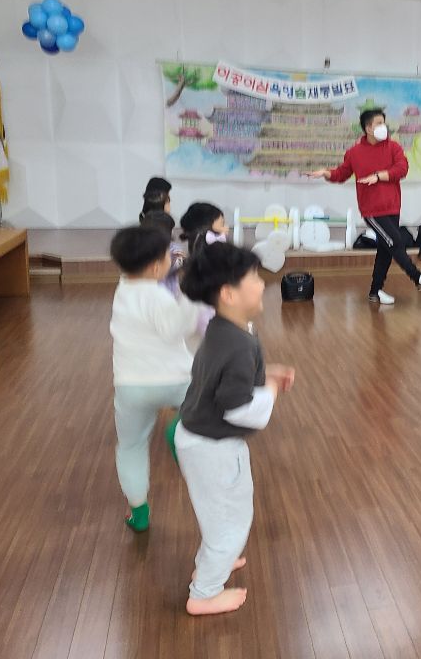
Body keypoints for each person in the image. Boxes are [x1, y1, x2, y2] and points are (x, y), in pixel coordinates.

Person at [175, 242, 296, 615]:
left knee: (221, 515)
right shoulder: (237, 344)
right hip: (213, 447)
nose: (262, 284)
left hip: (200, 438)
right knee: (231, 523)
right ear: (228, 294)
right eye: (253, 278)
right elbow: (242, 410)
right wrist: (270, 389)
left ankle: (214, 563)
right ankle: (204, 593)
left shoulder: (226, 329)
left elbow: (223, 378)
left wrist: (264, 373)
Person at [108, 225, 205, 532]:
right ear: (154, 267)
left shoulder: (123, 289)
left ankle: (138, 512)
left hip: (131, 385)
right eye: (167, 256)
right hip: (177, 379)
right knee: (202, 411)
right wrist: (191, 296)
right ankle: (179, 429)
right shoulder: (156, 295)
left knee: (131, 446)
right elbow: (176, 329)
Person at [306, 108, 421, 305]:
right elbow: (341, 173)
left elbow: (402, 169)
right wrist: (326, 173)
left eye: (384, 122)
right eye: (378, 123)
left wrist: (379, 176)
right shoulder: (355, 153)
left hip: (392, 206)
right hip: (372, 210)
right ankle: (417, 277)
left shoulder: (393, 147)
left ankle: (375, 292)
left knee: (385, 250)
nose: (383, 127)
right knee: (394, 242)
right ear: (368, 128)